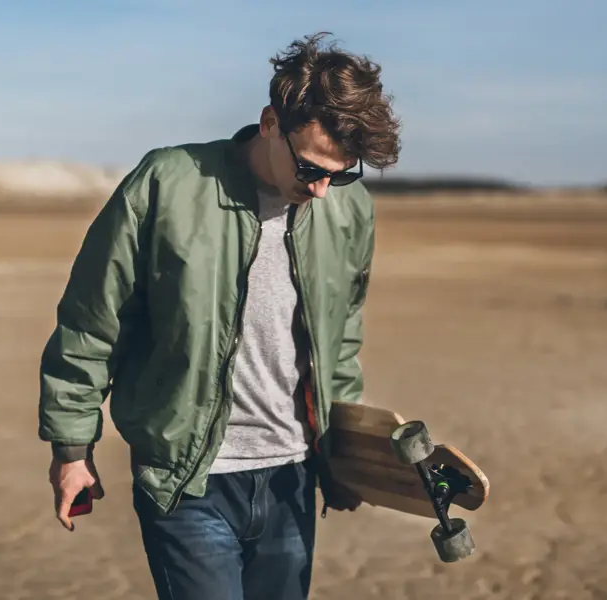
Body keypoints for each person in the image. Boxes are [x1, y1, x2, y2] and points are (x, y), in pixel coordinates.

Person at [37, 31, 401, 600]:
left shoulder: (349, 212)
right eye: (311, 169)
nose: (325, 190)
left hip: (293, 477)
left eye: (343, 173)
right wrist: (72, 450)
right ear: (269, 122)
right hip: (187, 480)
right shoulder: (168, 184)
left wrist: (344, 454)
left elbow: (340, 340)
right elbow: (92, 322)